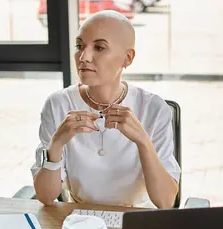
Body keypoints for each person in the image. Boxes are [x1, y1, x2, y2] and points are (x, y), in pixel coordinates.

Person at [30, 10, 181, 209]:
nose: (84, 57)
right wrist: (56, 143)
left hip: (136, 218)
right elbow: (46, 197)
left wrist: (143, 141)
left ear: (127, 58)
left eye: (99, 47)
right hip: (80, 219)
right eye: (79, 46)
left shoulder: (154, 109)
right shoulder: (58, 104)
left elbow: (165, 201)